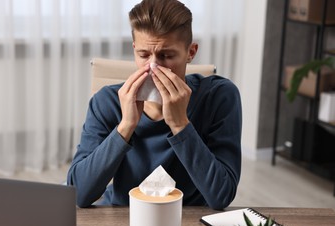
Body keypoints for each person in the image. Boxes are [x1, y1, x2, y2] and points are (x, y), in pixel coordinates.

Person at [67, 0, 242, 209]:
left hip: (189, 219)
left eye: (166, 56)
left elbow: (221, 196)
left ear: (191, 52)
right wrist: (126, 126)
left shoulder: (219, 96)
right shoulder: (107, 101)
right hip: (125, 215)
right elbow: (79, 194)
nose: (153, 67)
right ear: (134, 50)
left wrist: (180, 125)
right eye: (143, 55)